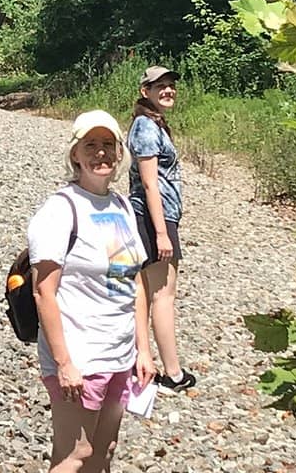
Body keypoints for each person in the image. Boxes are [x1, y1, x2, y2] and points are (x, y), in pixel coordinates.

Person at [28, 110, 156, 473]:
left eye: (107, 145)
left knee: (104, 451)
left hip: (119, 354)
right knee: (75, 455)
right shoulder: (60, 210)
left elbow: (134, 279)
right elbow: (44, 293)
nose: (100, 154)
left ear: (119, 154)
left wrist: (142, 349)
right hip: (80, 358)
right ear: (75, 154)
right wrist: (64, 363)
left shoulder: (121, 206)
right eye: (91, 145)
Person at [127, 66, 196, 393]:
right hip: (155, 218)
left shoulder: (152, 124)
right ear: (145, 91)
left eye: (170, 86)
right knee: (163, 295)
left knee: (149, 292)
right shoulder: (144, 127)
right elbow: (150, 184)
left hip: (157, 218)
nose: (167, 91)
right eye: (160, 87)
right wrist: (161, 233)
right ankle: (172, 374)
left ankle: (146, 364)